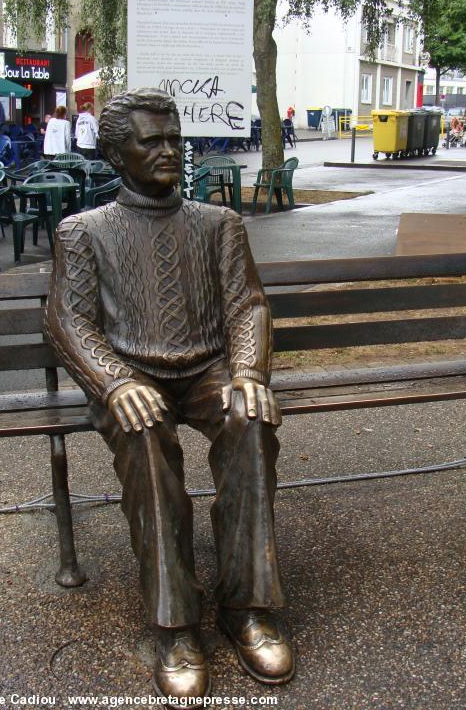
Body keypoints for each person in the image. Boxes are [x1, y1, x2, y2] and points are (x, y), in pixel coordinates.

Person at [44, 88, 294, 701]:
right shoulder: (84, 232)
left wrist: (248, 373)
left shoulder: (220, 225)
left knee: (251, 420)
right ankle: (175, 623)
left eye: (174, 139)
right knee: (144, 435)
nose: (168, 151)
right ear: (114, 153)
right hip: (134, 377)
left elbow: (247, 307)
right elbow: (68, 322)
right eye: (150, 140)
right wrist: (114, 381)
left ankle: (248, 605)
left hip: (210, 368)